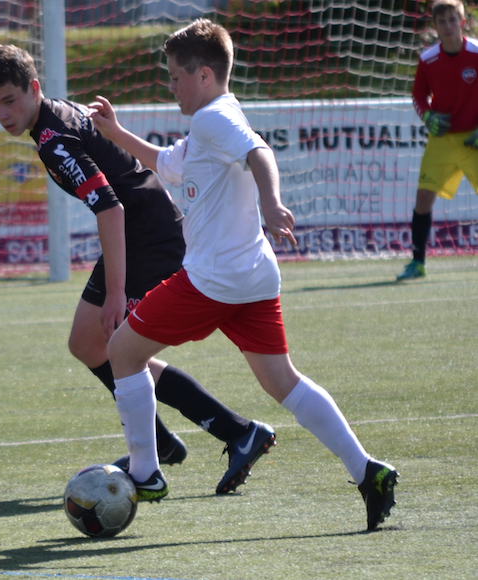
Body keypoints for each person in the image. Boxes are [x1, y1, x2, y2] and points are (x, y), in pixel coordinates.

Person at [89, 19, 398, 531]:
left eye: (175, 77)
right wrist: (117, 134)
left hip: (213, 280)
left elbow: (260, 152)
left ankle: (146, 472)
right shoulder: (212, 120)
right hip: (253, 278)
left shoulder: (215, 121)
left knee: (120, 352)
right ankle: (367, 470)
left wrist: (273, 204)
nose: (171, 87)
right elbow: (167, 164)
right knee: (284, 382)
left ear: (204, 75)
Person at [0, 44, 277, 497]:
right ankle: (174, 440)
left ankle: (225, 436)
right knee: (87, 342)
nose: (2, 114)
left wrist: (116, 292)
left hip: (145, 232)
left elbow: (110, 208)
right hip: (140, 223)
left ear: (34, 89)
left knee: (119, 345)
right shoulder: (53, 117)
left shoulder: (54, 139)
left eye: (10, 100)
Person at [397, 0, 478, 281]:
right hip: (442, 142)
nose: (447, 26)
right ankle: (417, 262)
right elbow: (419, 96)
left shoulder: (477, 53)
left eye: (452, 20)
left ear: (463, 22)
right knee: (423, 199)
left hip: (474, 141)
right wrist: (428, 117)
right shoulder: (428, 58)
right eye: (441, 21)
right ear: (435, 26)